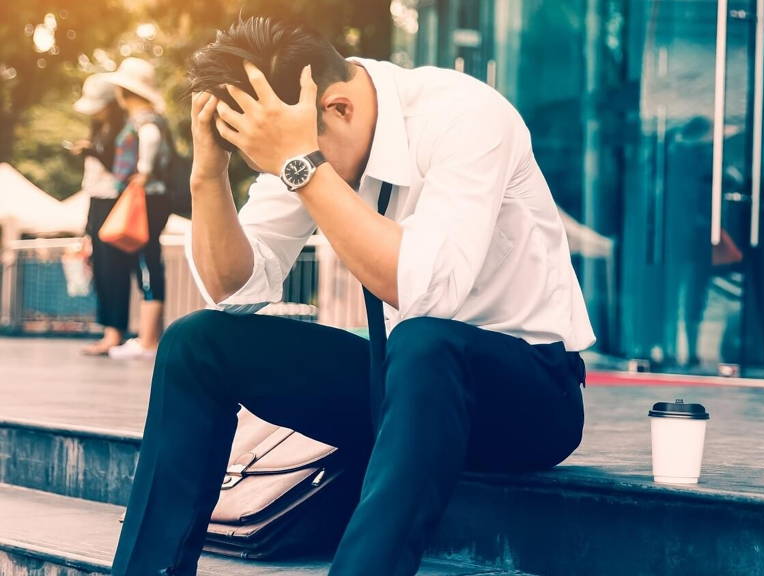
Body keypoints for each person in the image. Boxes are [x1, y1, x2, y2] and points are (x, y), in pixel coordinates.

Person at [111, 16, 593, 576]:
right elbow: (237, 290)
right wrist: (209, 176)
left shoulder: (465, 115)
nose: (285, 172)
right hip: (399, 394)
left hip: (529, 400)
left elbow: (426, 290)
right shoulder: (311, 134)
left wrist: (301, 165)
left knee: (424, 341)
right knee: (197, 343)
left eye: (285, 156)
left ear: (338, 108)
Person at [89, 58, 173, 360]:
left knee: (147, 263)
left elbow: (149, 140)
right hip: (153, 198)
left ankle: (148, 341)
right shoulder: (150, 117)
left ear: (126, 92)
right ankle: (151, 338)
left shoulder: (144, 120)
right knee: (147, 261)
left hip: (148, 198)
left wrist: (144, 170)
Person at [71, 74, 127, 355]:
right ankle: (107, 331)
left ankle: (115, 333)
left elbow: (122, 169)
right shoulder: (98, 128)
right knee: (101, 268)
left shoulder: (123, 130)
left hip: (114, 202)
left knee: (114, 268)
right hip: (95, 201)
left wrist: (93, 150)